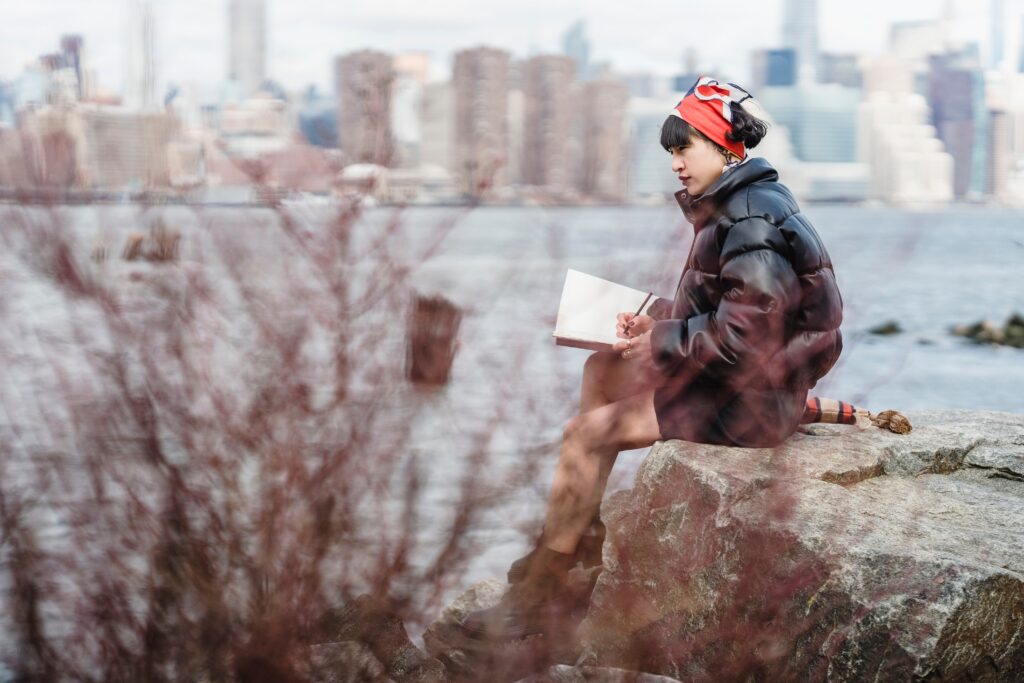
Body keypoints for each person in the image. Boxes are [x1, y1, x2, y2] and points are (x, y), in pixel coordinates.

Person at [458, 76, 844, 642]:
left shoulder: (748, 221)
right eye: (671, 152)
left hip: (750, 401)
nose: (676, 164)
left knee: (585, 434)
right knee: (604, 368)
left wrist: (663, 340)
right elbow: (735, 310)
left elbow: (748, 339)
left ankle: (540, 590)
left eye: (684, 147)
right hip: (748, 382)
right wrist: (659, 321)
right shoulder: (743, 204)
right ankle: (581, 536)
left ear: (725, 147)